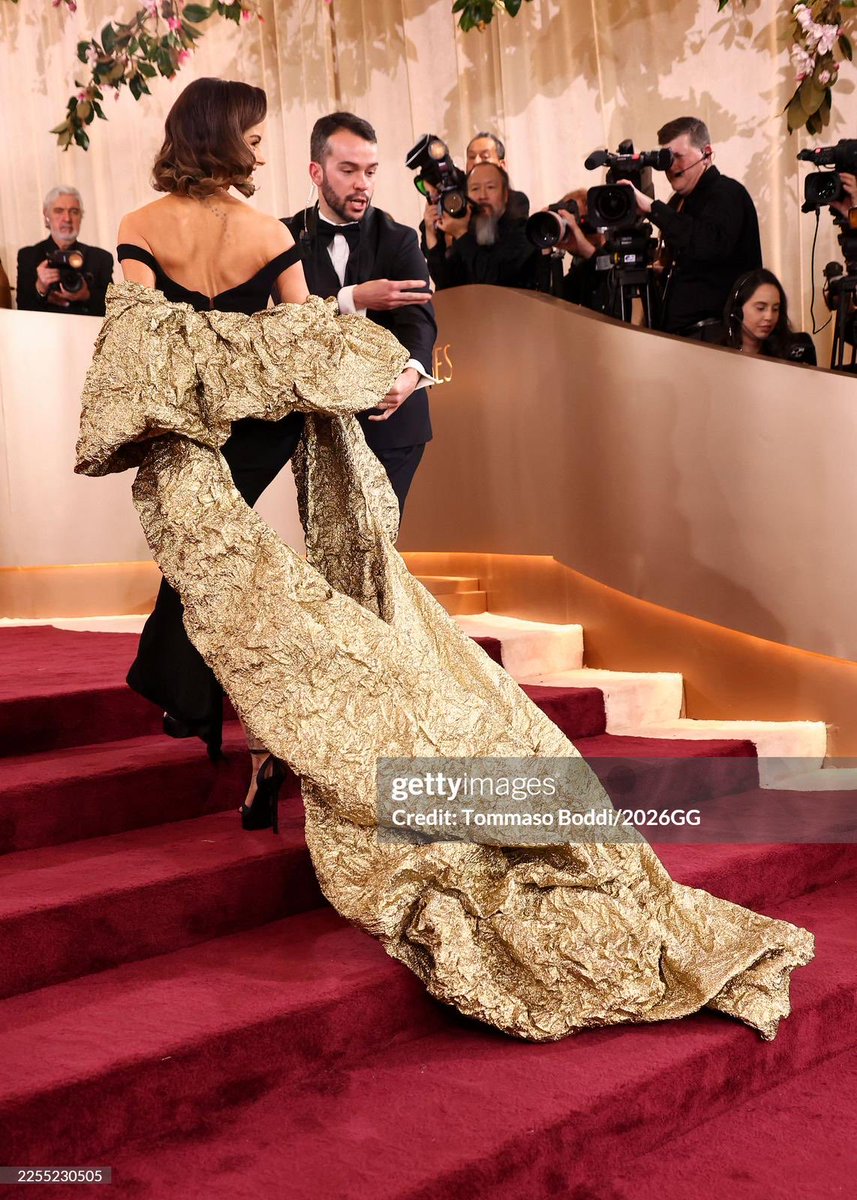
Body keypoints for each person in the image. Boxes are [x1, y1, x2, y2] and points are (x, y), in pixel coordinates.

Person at [76, 77, 814, 1046]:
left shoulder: (139, 223)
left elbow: (132, 356)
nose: (259, 148)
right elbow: (305, 346)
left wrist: (368, 366)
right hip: (250, 435)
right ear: (226, 139)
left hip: (188, 453)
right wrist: (333, 362)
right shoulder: (266, 235)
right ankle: (250, 743)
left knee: (270, 608)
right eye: (254, 134)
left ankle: (256, 747)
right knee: (266, 616)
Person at [283, 112, 435, 516]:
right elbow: (288, 323)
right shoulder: (283, 238)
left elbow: (420, 320)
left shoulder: (400, 239)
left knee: (377, 543)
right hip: (320, 427)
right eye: (348, 170)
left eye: (370, 171)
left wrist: (411, 376)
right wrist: (353, 296)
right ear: (316, 171)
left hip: (393, 419)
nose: (362, 184)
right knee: (329, 548)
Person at [619, 117, 762, 337]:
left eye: (678, 157)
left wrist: (652, 208)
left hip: (717, 337)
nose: (671, 166)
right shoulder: (677, 202)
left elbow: (708, 244)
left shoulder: (728, 193)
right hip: (681, 337)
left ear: (706, 153)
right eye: (666, 158)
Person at [425, 161, 540, 291]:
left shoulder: (523, 232)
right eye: (475, 189)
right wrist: (431, 236)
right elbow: (446, 284)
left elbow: (494, 283)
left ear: (505, 195)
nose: (482, 196)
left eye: (490, 187)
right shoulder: (469, 230)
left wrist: (462, 234)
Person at [16, 187, 114, 316]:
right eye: (59, 211)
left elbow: (114, 310)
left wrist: (86, 295)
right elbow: (22, 309)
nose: (67, 219)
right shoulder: (29, 256)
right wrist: (40, 288)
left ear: (81, 217)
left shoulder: (101, 258)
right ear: (46, 216)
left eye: (74, 211)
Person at [723, 268, 817, 364]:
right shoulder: (718, 353)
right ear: (738, 311)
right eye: (760, 308)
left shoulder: (793, 349)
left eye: (775, 309)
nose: (769, 317)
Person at [465, 131, 530, 220]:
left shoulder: (515, 201)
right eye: (472, 157)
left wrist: (460, 232)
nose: (476, 162)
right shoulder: (458, 200)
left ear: (502, 165)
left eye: (485, 156)